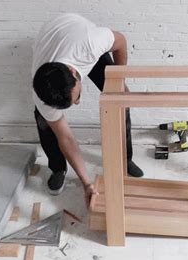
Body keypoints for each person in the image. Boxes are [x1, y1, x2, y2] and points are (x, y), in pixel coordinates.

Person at [31, 13, 143, 205]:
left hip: (76, 35)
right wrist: (86, 183)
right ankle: (58, 168)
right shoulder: (41, 92)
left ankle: (125, 158)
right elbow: (66, 137)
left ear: (75, 73)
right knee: (44, 121)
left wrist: (120, 79)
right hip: (50, 40)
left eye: (77, 97)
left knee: (120, 100)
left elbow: (121, 41)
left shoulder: (92, 45)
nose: (78, 103)